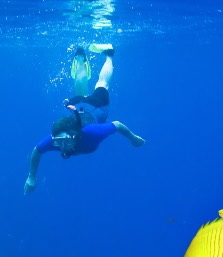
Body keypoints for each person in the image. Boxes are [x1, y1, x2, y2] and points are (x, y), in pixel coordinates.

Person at [23, 44, 146, 194]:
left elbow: (117, 125)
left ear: (75, 136)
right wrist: (31, 177)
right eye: (58, 141)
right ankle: (80, 59)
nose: (61, 146)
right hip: (79, 107)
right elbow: (36, 150)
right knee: (83, 92)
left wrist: (133, 138)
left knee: (103, 84)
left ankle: (109, 54)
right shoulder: (56, 139)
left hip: (96, 107)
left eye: (65, 141)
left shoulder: (92, 132)